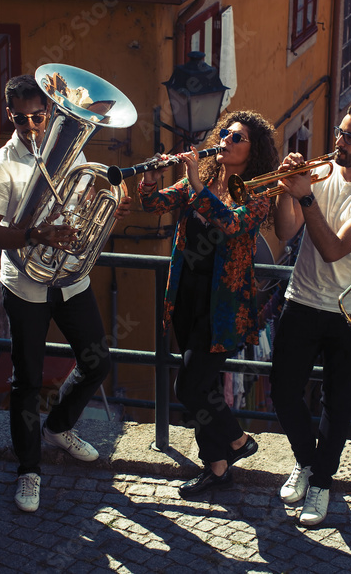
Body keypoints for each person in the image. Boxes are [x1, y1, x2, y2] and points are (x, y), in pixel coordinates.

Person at [0, 74, 126, 513]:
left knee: (97, 360)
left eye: (38, 116)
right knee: (25, 381)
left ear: (48, 111)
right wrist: (36, 232)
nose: (31, 125)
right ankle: (29, 470)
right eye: (21, 118)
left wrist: (114, 199)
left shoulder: (70, 148)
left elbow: (88, 193)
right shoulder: (0, 166)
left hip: (68, 278)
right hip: (24, 283)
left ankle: (59, 427)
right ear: (10, 115)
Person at [138, 111, 280, 498]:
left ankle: (237, 439)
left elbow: (232, 224)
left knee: (191, 385)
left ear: (254, 152)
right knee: (204, 387)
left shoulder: (258, 192)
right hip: (186, 297)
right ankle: (217, 466)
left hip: (224, 307)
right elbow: (155, 206)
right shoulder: (202, 179)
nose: (228, 140)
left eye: (238, 138)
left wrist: (198, 185)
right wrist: (149, 182)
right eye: (226, 134)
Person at [270, 100, 351, 526]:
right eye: (340, 132)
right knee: (283, 391)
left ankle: (321, 483)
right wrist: (288, 189)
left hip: (349, 311)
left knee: (336, 403)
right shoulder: (322, 173)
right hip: (301, 299)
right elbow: (287, 231)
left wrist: (305, 196)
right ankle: (308, 463)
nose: (339, 141)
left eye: (350, 136)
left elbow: (333, 249)